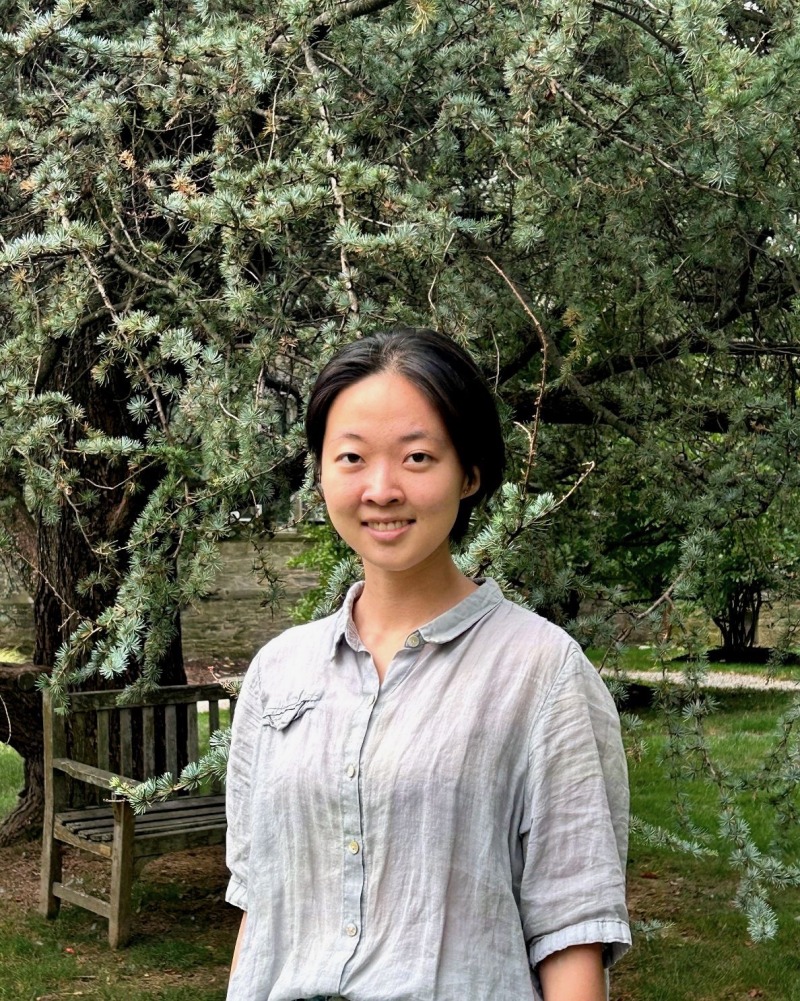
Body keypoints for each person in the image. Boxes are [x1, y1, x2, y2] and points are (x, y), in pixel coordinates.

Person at [225, 327, 631, 1001]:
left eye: (417, 457)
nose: (381, 489)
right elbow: (260, 910)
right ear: (322, 471)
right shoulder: (277, 673)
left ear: (469, 472)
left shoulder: (541, 671)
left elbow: (572, 929)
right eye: (351, 457)